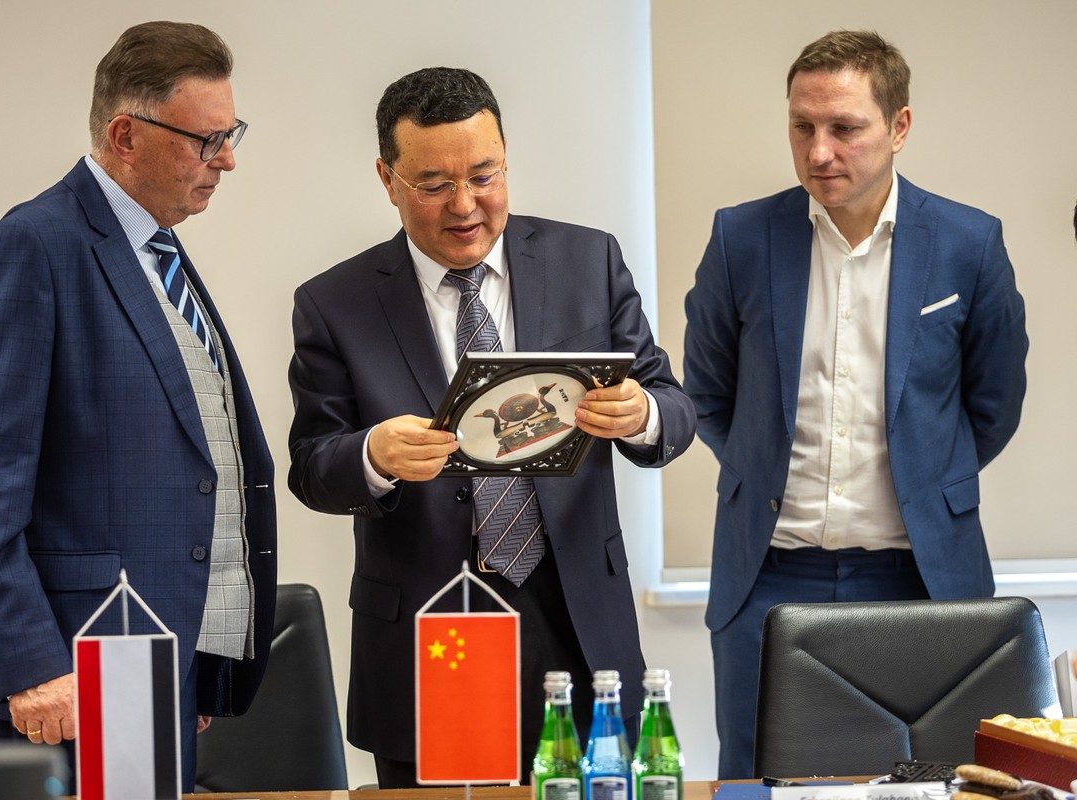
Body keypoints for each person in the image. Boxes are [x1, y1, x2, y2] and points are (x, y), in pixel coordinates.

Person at [288, 66, 697, 787]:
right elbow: (313, 465)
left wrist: (642, 415)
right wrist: (374, 455)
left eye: (484, 176)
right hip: (429, 627)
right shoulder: (335, 303)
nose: (465, 204)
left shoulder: (587, 261)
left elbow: (672, 402)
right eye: (434, 184)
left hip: (576, 615)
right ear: (387, 180)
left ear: (506, 159)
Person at [0, 21, 277, 792]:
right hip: (69, 672)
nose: (227, 159)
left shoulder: (157, 249)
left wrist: (197, 659)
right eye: (208, 139)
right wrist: (32, 665)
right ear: (125, 135)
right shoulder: (33, 245)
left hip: (152, 663)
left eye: (231, 134)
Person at [682, 29, 1028, 779]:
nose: (819, 152)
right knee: (756, 782)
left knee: (936, 783)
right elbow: (707, 393)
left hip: (921, 575)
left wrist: (929, 480)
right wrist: (762, 464)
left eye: (844, 128)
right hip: (768, 573)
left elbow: (994, 405)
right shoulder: (741, 238)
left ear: (899, 127)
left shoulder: (969, 243)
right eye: (802, 126)